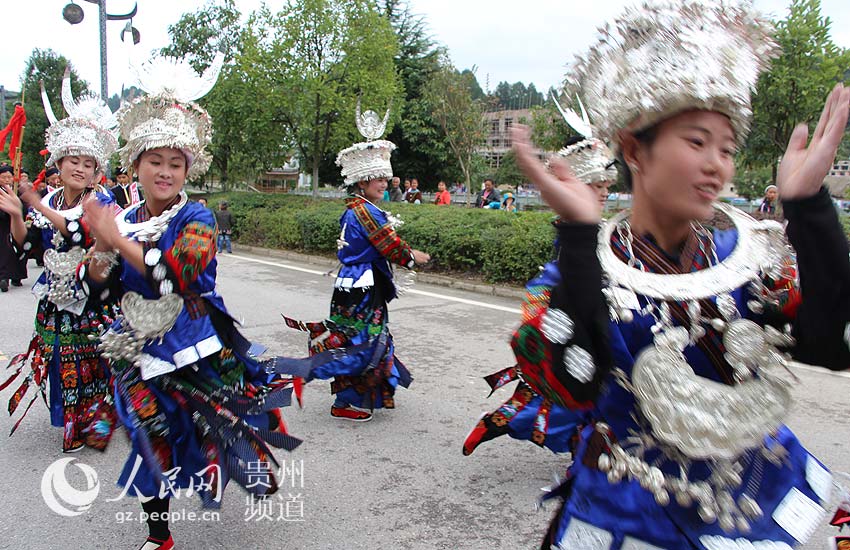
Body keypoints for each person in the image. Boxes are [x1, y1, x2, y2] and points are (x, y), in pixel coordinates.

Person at [474, 3, 850, 548]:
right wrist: (579, 237)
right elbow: (569, 385)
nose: (717, 164)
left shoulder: (744, 257)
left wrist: (809, 205)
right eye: (696, 142)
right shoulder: (579, 274)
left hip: (744, 504)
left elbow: (831, 343)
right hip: (630, 513)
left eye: (726, 148)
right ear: (635, 150)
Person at [82, 53, 304, 550]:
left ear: (187, 170)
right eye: (155, 161)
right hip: (138, 349)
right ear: (135, 165)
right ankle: (158, 535)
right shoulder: (125, 217)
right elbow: (100, 289)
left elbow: (178, 275)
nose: (164, 172)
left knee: (221, 428)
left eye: (175, 163)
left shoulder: (197, 217)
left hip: (195, 345)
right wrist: (100, 253)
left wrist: (116, 242)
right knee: (145, 436)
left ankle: (238, 450)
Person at [463, 97, 618, 456]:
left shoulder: (599, 227)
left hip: (590, 322)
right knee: (569, 399)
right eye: (598, 187)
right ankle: (505, 424)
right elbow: (555, 283)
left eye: (607, 187)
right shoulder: (576, 229)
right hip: (570, 323)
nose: (605, 194)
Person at [285, 104, 430, 422]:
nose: (383, 182)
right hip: (363, 288)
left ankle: (355, 397)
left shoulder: (356, 208)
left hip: (356, 284)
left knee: (361, 337)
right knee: (364, 341)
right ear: (361, 182)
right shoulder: (365, 212)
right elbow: (387, 243)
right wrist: (411, 257)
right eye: (375, 178)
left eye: (384, 177)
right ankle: (348, 401)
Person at [0, 71, 120, 452]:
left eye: (88, 163)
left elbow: (79, 232)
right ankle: (72, 425)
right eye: (73, 161)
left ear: (97, 172)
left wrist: (33, 204)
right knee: (61, 364)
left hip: (92, 300)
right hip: (55, 301)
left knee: (94, 365)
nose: (80, 169)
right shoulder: (49, 202)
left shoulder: (100, 203)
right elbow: (26, 247)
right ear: (60, 163)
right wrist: (19, 215)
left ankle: (96, 425)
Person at [0, 165, 28, 292]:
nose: (6, 180)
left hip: (17, 225)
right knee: (5, 251)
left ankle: (17, 276)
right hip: (3, 226)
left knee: (18, 250)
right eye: (3, 177)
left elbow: (25, 207)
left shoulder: (18, 191)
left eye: (9, 177)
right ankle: (4, 277)